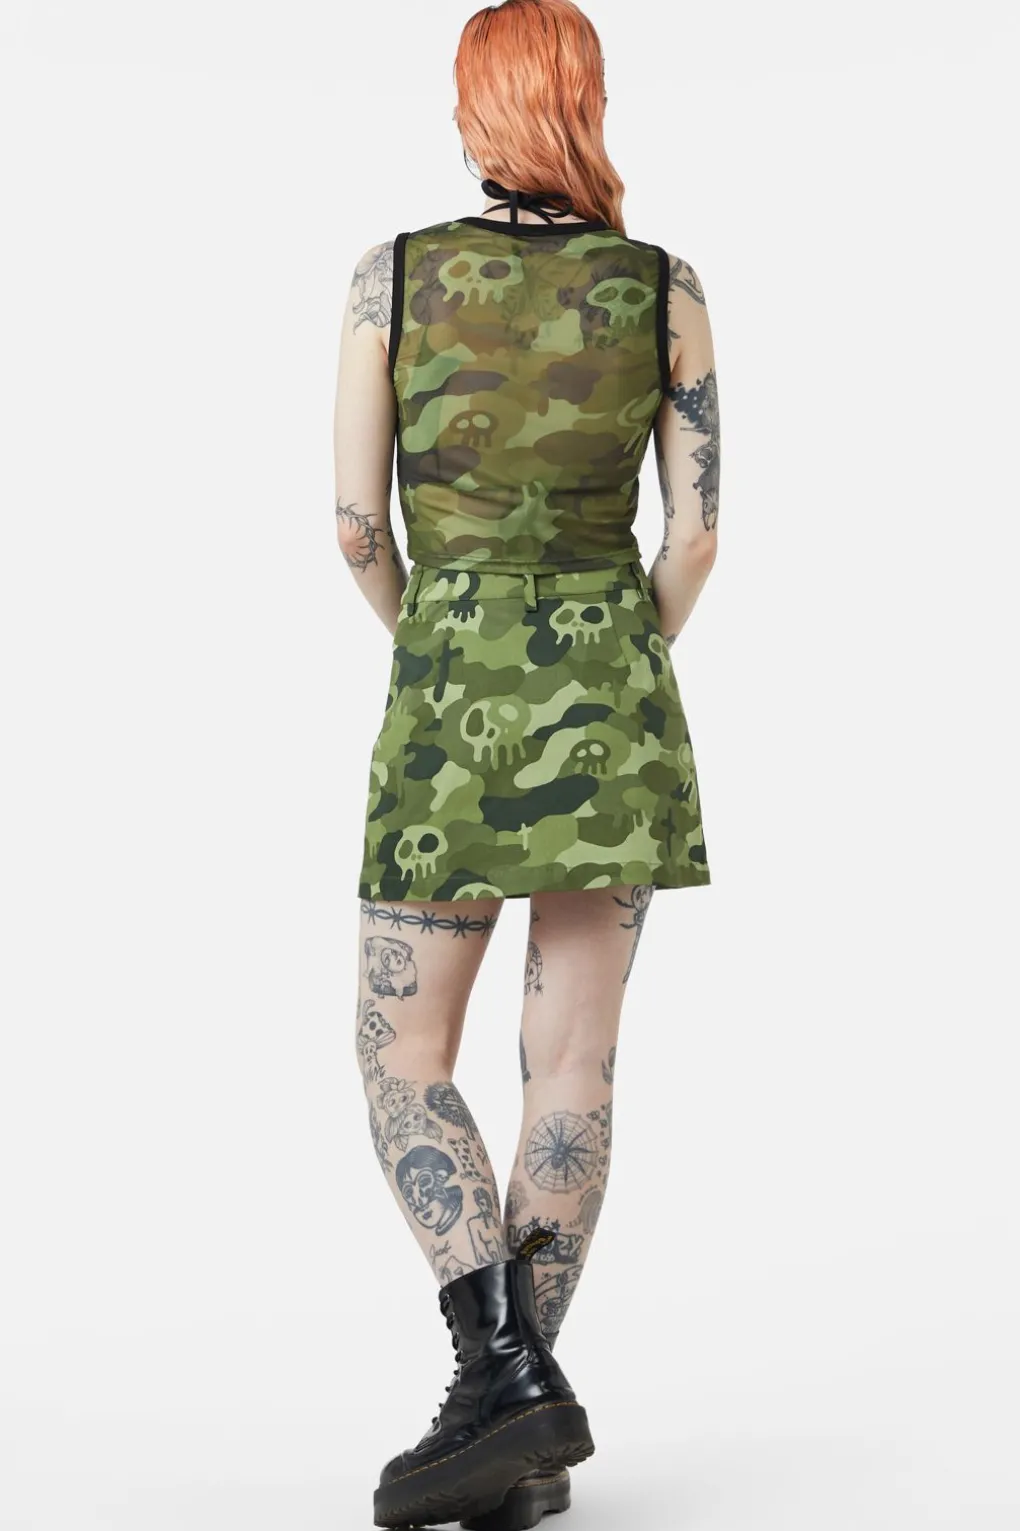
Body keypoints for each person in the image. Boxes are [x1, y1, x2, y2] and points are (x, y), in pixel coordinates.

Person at [332, 2, 719, 1525]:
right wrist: (615, 664)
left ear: (478, 111)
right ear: (586, 102)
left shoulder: (394, 276)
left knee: (401, 1051)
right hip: (614, 695)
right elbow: (697, 538)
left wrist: (437, 642)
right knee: (573, 1065)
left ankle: (496, 1383)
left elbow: (355, 529)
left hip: (452, 689)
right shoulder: (665, 286)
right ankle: (519, 1411)